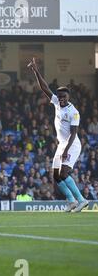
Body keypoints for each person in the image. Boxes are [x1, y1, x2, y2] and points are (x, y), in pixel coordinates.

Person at [28, 57, 88, 213]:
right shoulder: (55, 102)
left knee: (63, 173)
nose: (61, 99)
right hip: (62, 145)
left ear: (68, 98)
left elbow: (74, 134)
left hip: (72, 144)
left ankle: (81, 200)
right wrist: (36, 71)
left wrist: (66, 150)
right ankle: (71, 201)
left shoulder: (74, 112)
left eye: (64, 97)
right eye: (59, 97)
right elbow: (44, 88)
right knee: (56, 175)